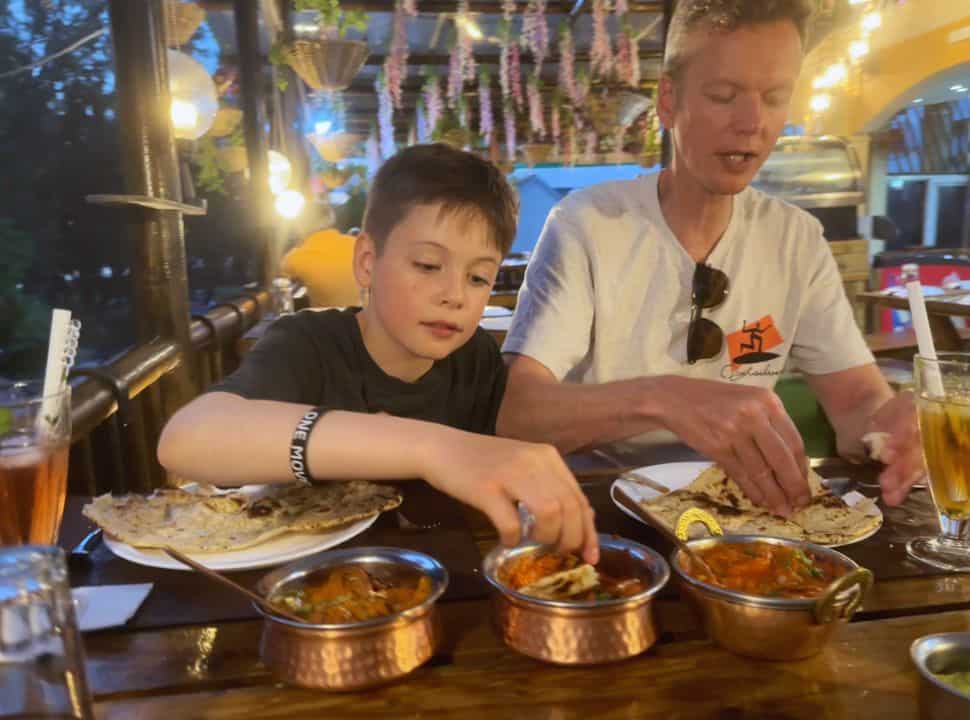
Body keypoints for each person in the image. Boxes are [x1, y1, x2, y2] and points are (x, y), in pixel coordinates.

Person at [498, 0, 922, 518]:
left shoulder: (796, 239)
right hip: (598, 513)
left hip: (743, 518)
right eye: (724, 95)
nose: (752, 122)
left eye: (775, 97)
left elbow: (857, 402)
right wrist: (667, 399)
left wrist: (895, 431)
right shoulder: (587, 223)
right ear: (669, 102)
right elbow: (518, 412)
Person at [158, 144, 598, 563]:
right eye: (428, 266)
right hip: (312, 581)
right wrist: (433, 448)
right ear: (367, 261)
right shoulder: (308, 344)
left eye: (479, 278)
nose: (455, 295)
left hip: (442, 577)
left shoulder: (476, 358)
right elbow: (187, 439)